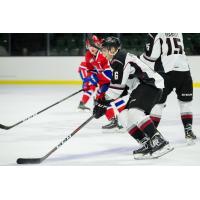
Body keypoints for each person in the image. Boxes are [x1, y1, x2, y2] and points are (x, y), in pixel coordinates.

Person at [93, 36, 173, 159]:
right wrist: (103, 103)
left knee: (135, 113)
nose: (102, 53)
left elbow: (116, 89)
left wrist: (102, 102)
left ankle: (159, 142)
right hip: (140, 87)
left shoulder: (119, 59)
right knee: (124, 116)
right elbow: (121, 87)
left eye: (104, 50)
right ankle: (147, 143)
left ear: (113, 49)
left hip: (151, 84)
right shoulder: (115, 60)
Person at [140, 33, 197, 144]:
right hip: (184, 71)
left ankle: (152, 135)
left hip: (166, 72)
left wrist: (140, 59)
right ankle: (188, 131)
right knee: (185, 103)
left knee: (158, 103)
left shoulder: (155, 32)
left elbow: (152, 56)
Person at [78, 35, 112, 111]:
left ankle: (97, 101)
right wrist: (86, 80)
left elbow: (104, 71)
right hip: (95, 74)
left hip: (103, 75)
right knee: (92, 87)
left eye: (95, 45)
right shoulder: (88, 55)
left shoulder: (103, 54)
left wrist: (96, 78)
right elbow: (89, 69)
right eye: (90, 46)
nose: (92, 48)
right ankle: (83, 103)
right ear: (87, 46)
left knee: (103, 91)